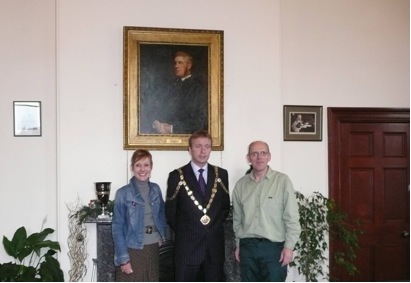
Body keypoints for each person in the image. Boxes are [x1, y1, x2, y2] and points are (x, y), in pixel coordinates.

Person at [165, 130, 230, 281]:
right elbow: (171, 213)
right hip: (187, 250)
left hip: (214, 250)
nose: (203, 151)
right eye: (198, 146)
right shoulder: (176, 176)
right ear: (190, 149)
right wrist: (191, 230)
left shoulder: (221, 175)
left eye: (207, 146)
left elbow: (224, 208)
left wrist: (211, 228)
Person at [232, 141, 301, 282]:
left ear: (269, 157)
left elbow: (292, 217)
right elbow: (237, 220)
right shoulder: (240, 185)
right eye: (254, 154)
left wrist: (289, 247)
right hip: (248, 248)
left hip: (273, 249)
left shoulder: (282, 181)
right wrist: (239, 245)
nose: (259, 157)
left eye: (263, 153)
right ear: (248, 158)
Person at [112, 149, 167, 281]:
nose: (142, 169)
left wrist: (161, 235)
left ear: (151, 167)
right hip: (133, 249)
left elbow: (162, 214)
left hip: (153, 248)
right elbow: (117, 228)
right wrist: (124, 259)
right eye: (138, 165)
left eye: (146, 165)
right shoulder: (122, 193)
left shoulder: (156, 189)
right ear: (132, 168)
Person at [151, 51, 208, 134]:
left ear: (189, 66)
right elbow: (160, 109)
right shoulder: (170, 86)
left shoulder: (198, 88)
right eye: (175, 63)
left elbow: (200, 121)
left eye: (180, 63)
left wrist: (171, 129)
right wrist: (156, 122)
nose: (176, 66)